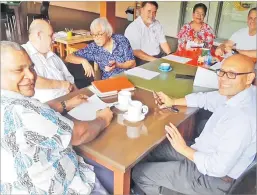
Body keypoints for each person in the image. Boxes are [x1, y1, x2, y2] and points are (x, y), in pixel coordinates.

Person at [132, 54, 256, 195]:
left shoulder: (242, 118)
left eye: (231, 74)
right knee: (153, 151)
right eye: (221, 72)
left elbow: (217, 167)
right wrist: (172, 101)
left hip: (212, 178)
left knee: (140, 173)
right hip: (202, 153)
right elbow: (206, 98)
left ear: (249, 78)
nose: (222, 79)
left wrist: (183, 149)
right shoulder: (244, 93)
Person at [1, 41, 113, 194]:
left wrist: (66, 104)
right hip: (59, 187)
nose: (31, 75)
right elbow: (79, 135)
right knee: (114, 172)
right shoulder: (24, 109)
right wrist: (103, 119)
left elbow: (39, 111)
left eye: (31, 67)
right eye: (18, 70)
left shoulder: (10, 101)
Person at [22, 19, 78, 103]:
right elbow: (31, 80)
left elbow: (70, 82)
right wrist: (62, 84)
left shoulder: (53, 56)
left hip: (69, 102)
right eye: (51, 35)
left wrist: (79, 95)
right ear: (39, 35)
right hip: (45, 110)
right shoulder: (22, 54)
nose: (54, 39)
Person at [65, 17, 136, 80]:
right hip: (109, 82)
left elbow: (133, 63)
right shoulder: (93, 48)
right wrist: (83, 61)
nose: (96, 38)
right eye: (94, 34)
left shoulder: (121, 39)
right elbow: (68, 57)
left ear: (108, 32)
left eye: (99, 34)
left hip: (128, 78)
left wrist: (118, 65)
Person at [124, 1, 171, 66]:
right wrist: (156, 61)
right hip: (141, 60)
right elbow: (136, 52)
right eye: (149, 11)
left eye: (154, 12)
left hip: (157, 57)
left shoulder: (157, 24)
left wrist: (170, 56)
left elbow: (163, 43)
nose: (151, 15)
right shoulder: (133, 27)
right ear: (142, 10)